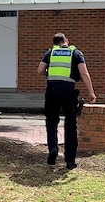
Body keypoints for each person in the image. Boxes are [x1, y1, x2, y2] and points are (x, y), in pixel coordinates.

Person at [37, 32, 97, 170]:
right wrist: (91, 92)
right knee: (71, 125)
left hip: (51, 91)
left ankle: (53, 148)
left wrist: (51, 72)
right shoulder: (75, 53)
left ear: (55, 43)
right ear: (66, 41)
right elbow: (84, 72)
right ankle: (70, 161)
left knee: (51, 122)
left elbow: (40, 70)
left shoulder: (51, 52)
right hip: (68, 92)